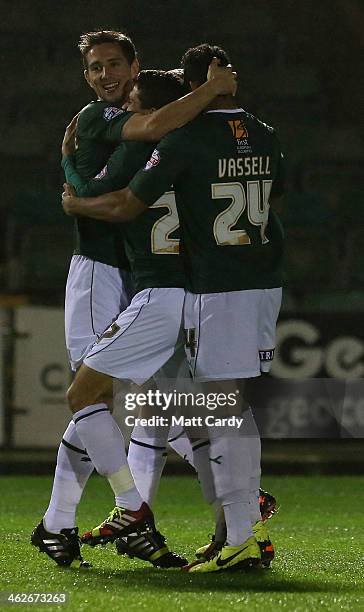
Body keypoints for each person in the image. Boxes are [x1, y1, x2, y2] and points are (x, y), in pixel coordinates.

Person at [62, 42, 285, 573]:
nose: (118, 90)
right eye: (97, 68)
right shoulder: (266, 134)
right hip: (254, 276)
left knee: (206, 405)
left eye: (121, 74)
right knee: (164, 407)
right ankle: (229, 525)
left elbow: (123, 203)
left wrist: (72, 191)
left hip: (195, 288)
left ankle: (200, 520)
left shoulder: (176, 140)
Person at [31, 31, 237, 569]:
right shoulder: (101, 117)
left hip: (135, 281)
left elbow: (154, 116)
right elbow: (154, 121)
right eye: (96, 68)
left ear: (135, 65)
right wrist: (212, 91)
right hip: (101, 273)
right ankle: (129, 511)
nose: (105, 76)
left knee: (122, 406)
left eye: (114, 65)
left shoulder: (145, 120)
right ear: (86, 76)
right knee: (94, 401)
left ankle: (69, 521)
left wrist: (73, 181)